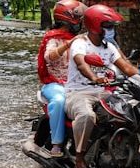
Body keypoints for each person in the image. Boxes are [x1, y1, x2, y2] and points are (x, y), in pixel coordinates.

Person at [64, 3, 138, 168]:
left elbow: (127, 68)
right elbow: (82, 64)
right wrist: (95, 78)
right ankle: (80, 160)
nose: (111, 30)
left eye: (112, 27)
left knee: (131, 110)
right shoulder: (80, 44)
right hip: (78, 93)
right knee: (87, 116)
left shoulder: (109, 47)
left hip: (104, 93)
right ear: (96, 26)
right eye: (108, 26)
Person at [37, 0, 86, 158]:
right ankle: (56, 144)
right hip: (54, 83)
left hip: (78, 83)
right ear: (68, 19)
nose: (80, 22)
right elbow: (49, 57)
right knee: (59, 100)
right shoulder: (53, 38)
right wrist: (67, 45)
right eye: (78, 18)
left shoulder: (82, 39)